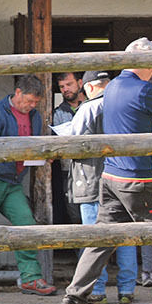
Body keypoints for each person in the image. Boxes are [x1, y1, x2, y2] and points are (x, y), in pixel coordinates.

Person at [59, 38, 152, 304]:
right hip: (141, 178)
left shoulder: (112, 87)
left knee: (101, 240)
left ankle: (74, 298)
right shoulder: (144, 91)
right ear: (146, 64)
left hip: (110, 175)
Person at [0, 74, 57, 296]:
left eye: (36, 102)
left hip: (13, 180)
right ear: (18, 93)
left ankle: (31, 278)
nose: (32, 106)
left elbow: (34, 145)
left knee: (26, 224)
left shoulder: (33, 116)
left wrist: (43, 155)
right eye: (30, 101)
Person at [64, 71, 138, 304]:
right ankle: (127, 290)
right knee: (125, 237)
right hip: (122, 178)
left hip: (92, 180)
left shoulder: (88, 107)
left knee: (95, 238)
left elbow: (73, 143)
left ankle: (97, 290)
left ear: (89, 88)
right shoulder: (125, 105)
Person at [51, 72, 86, 229]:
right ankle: (81, 254)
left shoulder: (91, 107)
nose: (65, 89)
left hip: (94, 168)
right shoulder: (57, 113)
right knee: (75, 215)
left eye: (69, 84)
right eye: (62, 87)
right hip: (69, 171)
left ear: (80, 83)